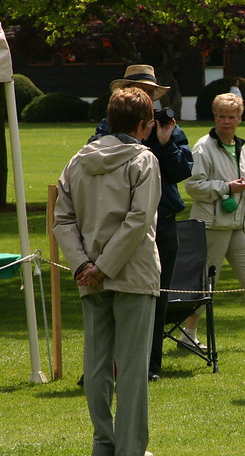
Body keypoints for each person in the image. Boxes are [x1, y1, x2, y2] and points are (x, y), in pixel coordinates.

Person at [54, 87, 160, 456]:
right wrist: (99, 266)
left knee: (97, 363)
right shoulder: (143, 160)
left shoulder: (77, 161)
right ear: (144, 125)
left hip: (91, 274)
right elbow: (139, 220)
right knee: (131, 364)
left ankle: (103, 444)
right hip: (131, 272)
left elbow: (61, 219)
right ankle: (128, 448)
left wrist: (84, 264)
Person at [88, 65, 193, 382]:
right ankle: (106, 365)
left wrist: (163, 142)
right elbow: (97, 164)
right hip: (118, 221)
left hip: (162, 220)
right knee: (111, 295)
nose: (144, 96)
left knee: (158, 295)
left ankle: (149, 366)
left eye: (149, 92)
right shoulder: (108, 127)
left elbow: (180, 171)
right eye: (138, 90)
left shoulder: (168, 126)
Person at [183, 93, 245, 350]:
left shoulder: (241, 146)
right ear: (215, 117)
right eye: (221, 116)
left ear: (240, 118)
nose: (226, 122)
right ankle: (187, 334)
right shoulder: (203, 147)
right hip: (211, 225)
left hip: (239, 224)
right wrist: (227, 187)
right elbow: (193, 186)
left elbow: (242, 180)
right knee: (207, 281)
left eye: (231, 117)